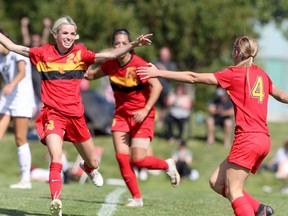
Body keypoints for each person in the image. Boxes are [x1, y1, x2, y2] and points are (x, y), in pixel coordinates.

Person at [0, 16, 152, 216]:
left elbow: (109, 55)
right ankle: (56, 201)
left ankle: (89, 169)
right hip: (53, 114)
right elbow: (11, 46)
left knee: (94, 163)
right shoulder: (43, 52)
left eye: (72, 33)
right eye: (65, 33)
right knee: (56, 155)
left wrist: (134, 44)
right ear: (55, 34)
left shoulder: (81, 54)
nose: (69, 37)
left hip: (76, 117)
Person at [137, 35, 288, 216]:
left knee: (234, 191)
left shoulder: (233, 73)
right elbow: (280, 94)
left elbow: (193, 77)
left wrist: (159, 73)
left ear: (237, 52)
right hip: (263, 139)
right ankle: (260, 210)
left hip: (247, 139)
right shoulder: (261, 74)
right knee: (216, 181)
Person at [84, 28, 180, 207]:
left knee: (138, 160)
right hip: (121, 115)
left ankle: (167, 165)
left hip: (142, 116)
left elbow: (157, 86)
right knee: (122, 158)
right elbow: (89, 75)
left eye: (123, 43)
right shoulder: (110, 64)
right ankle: (137, 198)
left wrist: (145, 110)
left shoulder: (138, 64)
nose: (120, 46)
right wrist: (86, 57)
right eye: (116, 43)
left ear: (130, 45)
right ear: (113, 46)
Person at [0, 29, 35, 190]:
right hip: (7, 99)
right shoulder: (1, 58)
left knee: (20, 138)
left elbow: (22, 72)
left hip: (22, 97)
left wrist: (11, 85)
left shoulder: (16, 51)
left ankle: (25, 179)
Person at [154, 47, 177, 129]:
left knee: (164, 106)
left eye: (164, 54)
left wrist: (161, 69)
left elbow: (173, 77)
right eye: (161, 54)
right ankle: (153, 119)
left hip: (165, 90)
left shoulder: (171, 65)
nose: (162, 56)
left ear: (168, 55)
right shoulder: (155, 62)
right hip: (154, 88)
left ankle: (160, 121)